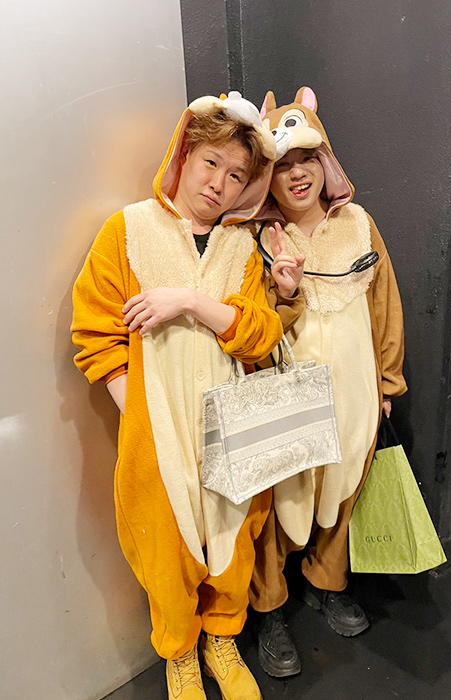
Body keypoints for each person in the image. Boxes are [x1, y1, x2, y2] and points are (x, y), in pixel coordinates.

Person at [71, 91, 283, 700]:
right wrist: (138, 410)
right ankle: (180, 654)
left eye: (236, 174)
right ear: (185, 155)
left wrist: (189, 301)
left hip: (230, 422)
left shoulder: (242, 246)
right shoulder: (128, 230)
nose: (219, 183)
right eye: (211, 163)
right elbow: (94, 329)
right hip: (157, 429)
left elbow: (261, 332)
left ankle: (222, 639)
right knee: (166, 547)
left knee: (232, 532)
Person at [250, 87, 407, 678]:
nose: (297, 174)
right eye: (282, 163)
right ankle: (270, 608)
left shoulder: (359, 225)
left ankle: (328, 582)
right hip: (287, 395)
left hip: (355, 389)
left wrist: (388, 382)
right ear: (266, 175)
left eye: (307, 159)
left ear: (325, 162)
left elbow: (385, 305)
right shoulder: (256, 239)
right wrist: (282, 289)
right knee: (280, 499)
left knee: (343, 490)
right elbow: (253, 321)